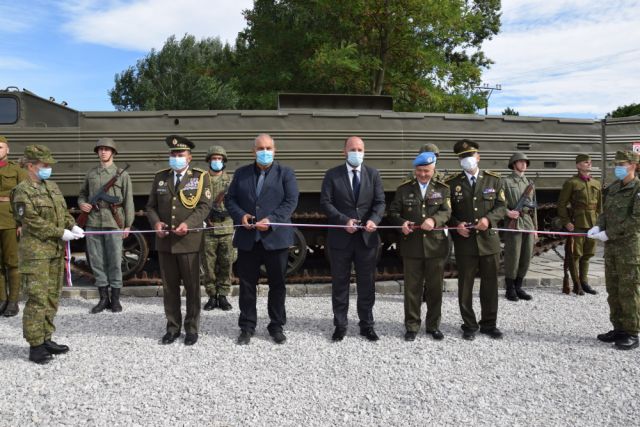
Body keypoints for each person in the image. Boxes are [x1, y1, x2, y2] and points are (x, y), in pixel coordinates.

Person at [11, 145, 84, 364]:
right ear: (30, 166)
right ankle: (35, 346)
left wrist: (72, 225)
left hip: (54, 251)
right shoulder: (22, 191)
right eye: (44, 165)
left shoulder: (51, 186)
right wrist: (59, 232)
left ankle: (46, 338)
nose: (48, 168)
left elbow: (62, 212)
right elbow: (31, 221)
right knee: (37, 299)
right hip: (36, 254)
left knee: (52, 296)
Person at [226, 134, 299, 345]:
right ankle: (247, 326)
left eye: (268, 148)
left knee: (278, 285)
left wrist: (272, 220)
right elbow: (230, 200)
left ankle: (276, 326)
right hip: (248, 239)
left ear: (275, 150)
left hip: (275, 239)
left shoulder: (286, 173)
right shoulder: (241, 174)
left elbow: (291, 201)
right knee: (247, 285)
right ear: (253, 151)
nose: (264, 152)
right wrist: (241, 216)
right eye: (260, 148)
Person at [146, 135, 212, 346]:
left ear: (189, 157)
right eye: (173, 153)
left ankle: (191, 328)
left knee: (192, 288)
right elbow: (150, 206)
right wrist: (156, 223)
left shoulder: (200, 177)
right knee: (170, 288)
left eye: (180, 154)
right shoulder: (160, 177)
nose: (176, 157)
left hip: (189, 241)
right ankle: (172, 327)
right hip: (165, 243)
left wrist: (188, 224)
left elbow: (204, 206)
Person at [320, 136, 386, 342]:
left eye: (360, 149)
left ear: (364, 152)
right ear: (344, 152)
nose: (356, 153)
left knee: (367, 283)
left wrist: (374, 219)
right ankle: (340, 325)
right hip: (341, 239)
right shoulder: (332, 175)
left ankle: (367, 325)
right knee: (340, 283)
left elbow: (380, 202)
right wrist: (343, 221)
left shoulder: (373, 174)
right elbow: (326, 203)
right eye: (352, 149)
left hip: (367, 239)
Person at [446, 139, 506, 341]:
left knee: (490, 286)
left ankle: (489, 324)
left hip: (489, 242)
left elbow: (501, 207)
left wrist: (488, 219)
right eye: (462, 157)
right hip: (465, 243)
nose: (467, 159)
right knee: (465, 287)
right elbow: (446, 212)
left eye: (470, 155)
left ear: (478, 156)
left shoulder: (494, 180)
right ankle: (469, 325)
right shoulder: (451, 183)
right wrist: (456, 225)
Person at [388, 151, 451, 341]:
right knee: (412, 289)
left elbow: (447, 211)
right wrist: (401, 223)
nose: (423, 174)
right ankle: (412, 326)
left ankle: (433, 326)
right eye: (419, 170)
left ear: (433, 169)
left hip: (436, 246)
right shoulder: (404, 189)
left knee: (435, 289)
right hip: (412, 246)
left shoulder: (442, 189)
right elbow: (393, 212)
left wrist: (434, 220)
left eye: (427, 171)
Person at [589, 151, 640, 350]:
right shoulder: (614, 187)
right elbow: (605, 212)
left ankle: (632, 332)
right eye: (616, 164)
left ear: (633, 165)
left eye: (622, 164)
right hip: (612, 249)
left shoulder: (637, 189)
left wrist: (609, 233)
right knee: (614, 290)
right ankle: (619, 329)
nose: (617, 167)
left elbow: (636, 221)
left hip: (629, 250)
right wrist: (598, 226)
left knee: (629, 291)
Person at [78, 138, 134, 314]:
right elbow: (82, 194)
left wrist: (128, 225)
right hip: (93, 221)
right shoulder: (91, 173)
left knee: (115, 261)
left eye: (107, 149)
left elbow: (128, 201)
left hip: (114, 222)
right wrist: (82, 204)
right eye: (100, 149)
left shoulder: (121, 174)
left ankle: (115, 299)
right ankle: (103, 299)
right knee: (96, 261)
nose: (103, 152)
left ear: (113, 152)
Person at [557, 154, 602, 295]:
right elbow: (561, 204)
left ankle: (584, 282)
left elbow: (600, 206)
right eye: (585, 162)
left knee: (588, 254)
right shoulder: (571, 183)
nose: (589, 164)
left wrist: (600, 223)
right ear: (578, 165)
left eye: (590, 162)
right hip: (577, 222)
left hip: (593, 223)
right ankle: (576, 283)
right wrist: (566, 222)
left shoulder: (596, 183)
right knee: (576, 254)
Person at [202, 145, 234, 311]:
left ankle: (223, 295)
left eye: (219, 159)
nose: (216, 161)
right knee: (208, 265)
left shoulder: (231, 181)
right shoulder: (202, 179)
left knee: (226, 263)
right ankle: (212, 296)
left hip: (226, 227)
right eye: (214, 158)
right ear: (209, 161)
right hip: (208, 227)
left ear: (224, 161)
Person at [502, 152, 537, 302]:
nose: (524, 164)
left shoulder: (529, 183)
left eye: (525, 162)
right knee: (513, 255)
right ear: (513, 164)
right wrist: (507, 212)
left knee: (526, 256)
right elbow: (498, 203)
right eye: (520, 161)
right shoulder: (505, 182)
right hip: (514, 222)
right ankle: (509, 288)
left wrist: (535, 228)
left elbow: (534, 208)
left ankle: (518, 286)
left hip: (527, 222)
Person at [0, 136, 28, 317]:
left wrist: (21, 222)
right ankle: (2, 299)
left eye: (0, 147)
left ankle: (13, 301)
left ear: (7, 150)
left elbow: (22, 198)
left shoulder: (17, 170)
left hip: (10, 220)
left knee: (12, 262)